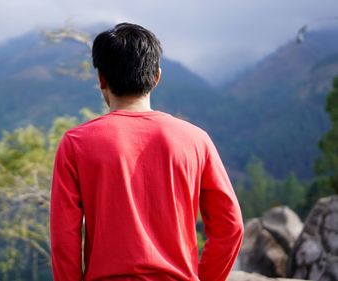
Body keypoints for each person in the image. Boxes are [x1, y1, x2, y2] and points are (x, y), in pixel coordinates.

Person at [50, 23, 244, 281]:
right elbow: (230, 227)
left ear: (102, 79)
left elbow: (65, 239)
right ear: (156, 77)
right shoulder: (196, 140)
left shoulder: (76, 143)